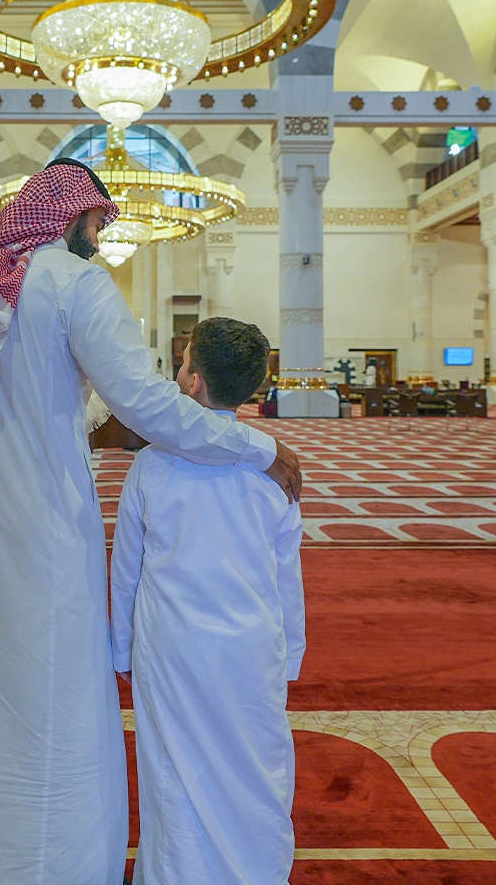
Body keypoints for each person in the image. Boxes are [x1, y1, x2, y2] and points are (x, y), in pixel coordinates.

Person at [0, 159, 302, 885]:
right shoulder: (74, 282)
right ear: (75, 214)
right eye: (99, 221)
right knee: (48, 700)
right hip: (41, 527)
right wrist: (256, 444)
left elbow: (15, 401)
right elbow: (144, 402)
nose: (102, 235)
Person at [110, 318, 306, 885]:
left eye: (181, 361)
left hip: (172, 646)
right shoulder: (276, 472)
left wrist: (120, 650)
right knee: (256, 765)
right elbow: (286, 574)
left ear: (193, 381)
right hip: (252, 644)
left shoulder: (152, 465)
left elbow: (127, 570)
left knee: (174, 772)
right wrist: (290, 653)